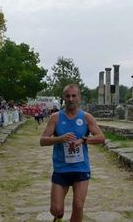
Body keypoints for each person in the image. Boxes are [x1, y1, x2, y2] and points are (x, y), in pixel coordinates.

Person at [40, 84, 105, 222]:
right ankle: (58, 217)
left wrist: (84, 140)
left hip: (80, 168)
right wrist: (60, 139)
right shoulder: (56, 118)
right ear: (63, 98)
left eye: (74, 96)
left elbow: (101, 137)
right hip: (61, 169)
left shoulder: (87, 117)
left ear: (79, 98)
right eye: (67, 96)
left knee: (78, 205)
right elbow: (43, 140)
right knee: (56, 209)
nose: (70, 99)